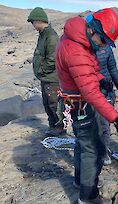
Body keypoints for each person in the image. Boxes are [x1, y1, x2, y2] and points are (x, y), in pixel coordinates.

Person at [56, 9, 118, 204]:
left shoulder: (78, 38)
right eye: (103, 40)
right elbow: (90, 93)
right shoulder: (76, 49)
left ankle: (80, 181)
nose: (103, 44)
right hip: (80, 104)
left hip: (75, 100)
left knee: (82, 143)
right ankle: (88, 195)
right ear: (93, 30)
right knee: (93, 148)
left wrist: (101, 80)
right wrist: (117, 119)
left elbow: (87, 70)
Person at [85, 14, 118, 165]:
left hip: (107, 90)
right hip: (91, 91)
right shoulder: (86, 47)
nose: (102, 43)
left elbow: (113, 67)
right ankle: (95, 150)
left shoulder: (107, 48)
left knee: (104, 124)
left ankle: (104, 152)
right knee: (92, 124)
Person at [27, 7, 65, 136]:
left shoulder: (51, 36)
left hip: (52, 78)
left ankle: (60, 128)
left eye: (33, 22)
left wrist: (41, 70)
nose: (32, 25)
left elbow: (52, 59)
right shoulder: (43, 34)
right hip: (45, 78)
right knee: (47, 104)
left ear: (39, 20)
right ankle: (52, 126)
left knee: (54, 104)